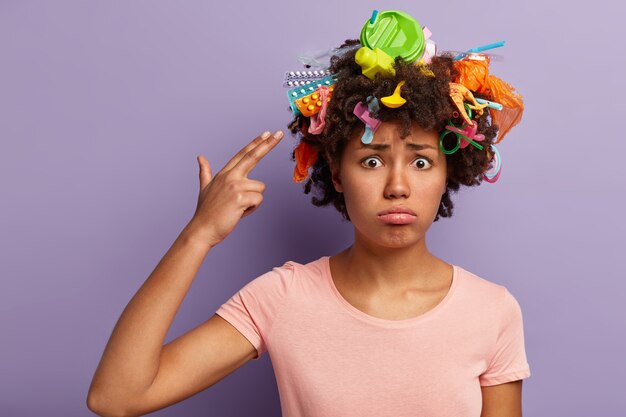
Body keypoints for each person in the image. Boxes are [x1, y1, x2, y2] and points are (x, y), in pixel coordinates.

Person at [87, 9, 530, 417]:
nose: (397, 187)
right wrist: (198, 235)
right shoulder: (283, 298)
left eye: (420, 162)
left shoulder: (492, 311)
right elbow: (117, 396)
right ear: (337, 173)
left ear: (448, 170)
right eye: (371, 161)